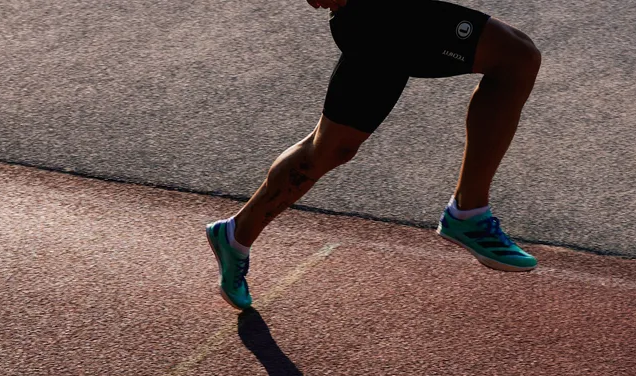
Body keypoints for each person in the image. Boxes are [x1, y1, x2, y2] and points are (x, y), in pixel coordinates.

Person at [206, 0, 542, 310]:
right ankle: (469, 213)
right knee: (515, 57)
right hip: (384, 14)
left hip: (384, 17)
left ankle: (235, 234)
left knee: (332, 148)